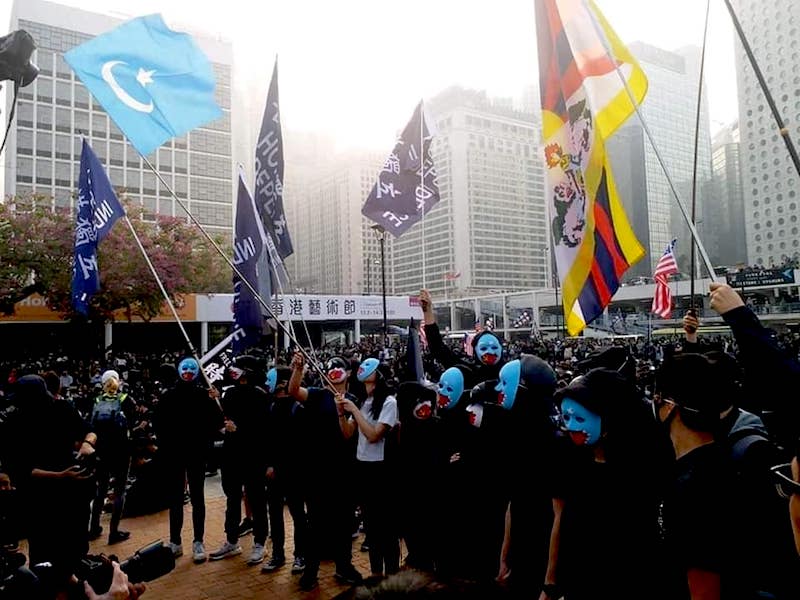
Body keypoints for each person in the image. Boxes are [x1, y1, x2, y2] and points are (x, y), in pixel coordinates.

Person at [538, 368, 666, 600]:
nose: (571, 426)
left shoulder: (641, 472)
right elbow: (561, 522)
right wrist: (550, 583)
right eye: (567, 418)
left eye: (579, 418)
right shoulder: (572, 461)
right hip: (579, 584)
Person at [0, 375, 97, 590]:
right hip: (40, 504)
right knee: (44, 562)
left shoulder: (62, 409)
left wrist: (87, 444)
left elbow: (89, 430)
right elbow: (21, 471)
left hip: (70, 499)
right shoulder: (13, 424)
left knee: (76, 557)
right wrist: (60, 476)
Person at [654, 354, 732, 600]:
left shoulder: (696, 485)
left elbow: (705, 587)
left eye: (657, 398)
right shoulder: (718, 459)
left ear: (670, 406)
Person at [289, 351, 364, 591]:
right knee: (315, 524)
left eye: (338, 366)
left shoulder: (353, 400)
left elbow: (349, 433)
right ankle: (311, 571)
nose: (333, 370)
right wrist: (298, 370)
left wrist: (343, 410)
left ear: (348, 373)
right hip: (317, 471)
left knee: (344, 522)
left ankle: (344, 566)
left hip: (343, 472)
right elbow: (294, 391)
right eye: (330, 367)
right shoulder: (317, 394)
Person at [153, 358, 223, 563]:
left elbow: (217, 422)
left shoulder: (205, 395)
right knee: (175, 498)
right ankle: (175, 541)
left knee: (197, 497)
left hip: (197, 453)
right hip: (175, 454)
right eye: (185, 369)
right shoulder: (168, 396)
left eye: (192, 370)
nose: (188, 373)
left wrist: (217, 401)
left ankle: (198, 541)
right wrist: (165, 449)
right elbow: (158, 424)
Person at [337, 358, 400, 578]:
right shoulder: (364, 401)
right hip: (362, 467)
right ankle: (375, 573)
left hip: (381, 470)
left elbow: (374, 435)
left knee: (386, 527)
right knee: (371, 526)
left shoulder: (389, 402)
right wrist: (341, 413)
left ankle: (392, 574)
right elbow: (348, 433)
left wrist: (354, 410)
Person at [209, 355, 271, 566]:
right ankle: (231, 540)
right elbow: (222, 418)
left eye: (239, 368)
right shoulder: (230, 393)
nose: (233, 371)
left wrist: (240, 429)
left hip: (253, 456)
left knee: (256, 499)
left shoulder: (260, 396)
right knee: (232, 498)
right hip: (231, 455)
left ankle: (260, 542)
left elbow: (263, 430)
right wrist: (215, 403)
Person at [261, 366, 308, 575]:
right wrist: (269, 464)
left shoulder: (298, 408)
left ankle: (301, 554)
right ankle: (277, 554)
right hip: (274, 472)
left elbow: (298, 444)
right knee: (275, 514)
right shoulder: (270, 406)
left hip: (294, 471)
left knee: (298, 514)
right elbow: (267, 440)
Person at [89, 370, 138, 545]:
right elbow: (132, 422)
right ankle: (114, 532)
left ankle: (94, 528)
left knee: (100, 490)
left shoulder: (96, 400)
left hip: (102, 451)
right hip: (121, 451)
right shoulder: (126, 399)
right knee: (119, 491)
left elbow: (91, 425)